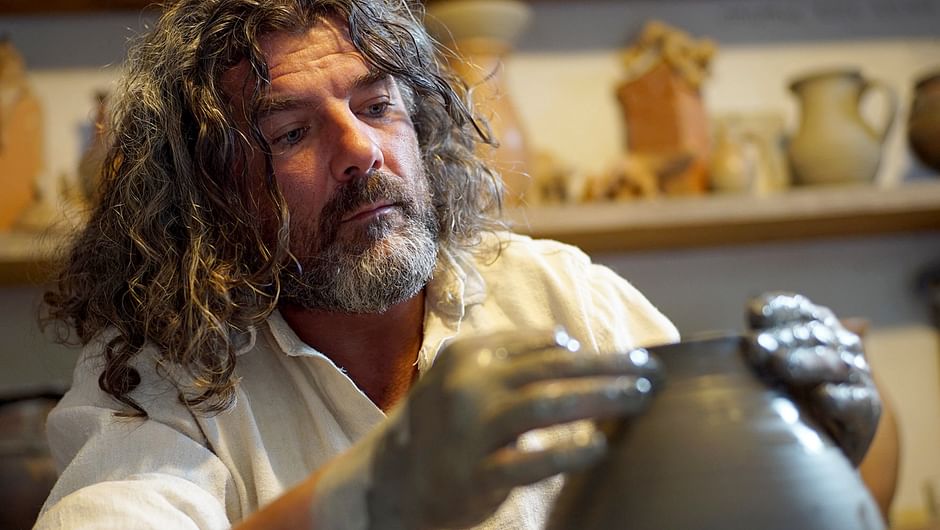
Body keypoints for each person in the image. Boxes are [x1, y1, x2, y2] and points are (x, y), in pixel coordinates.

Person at [34, 1, 881, 528]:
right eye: (290, 132)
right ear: (205, 195)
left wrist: (833, 430)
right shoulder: (156, 382)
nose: (362, 150)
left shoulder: (559, 295)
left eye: (377, 105)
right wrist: (372, 498)